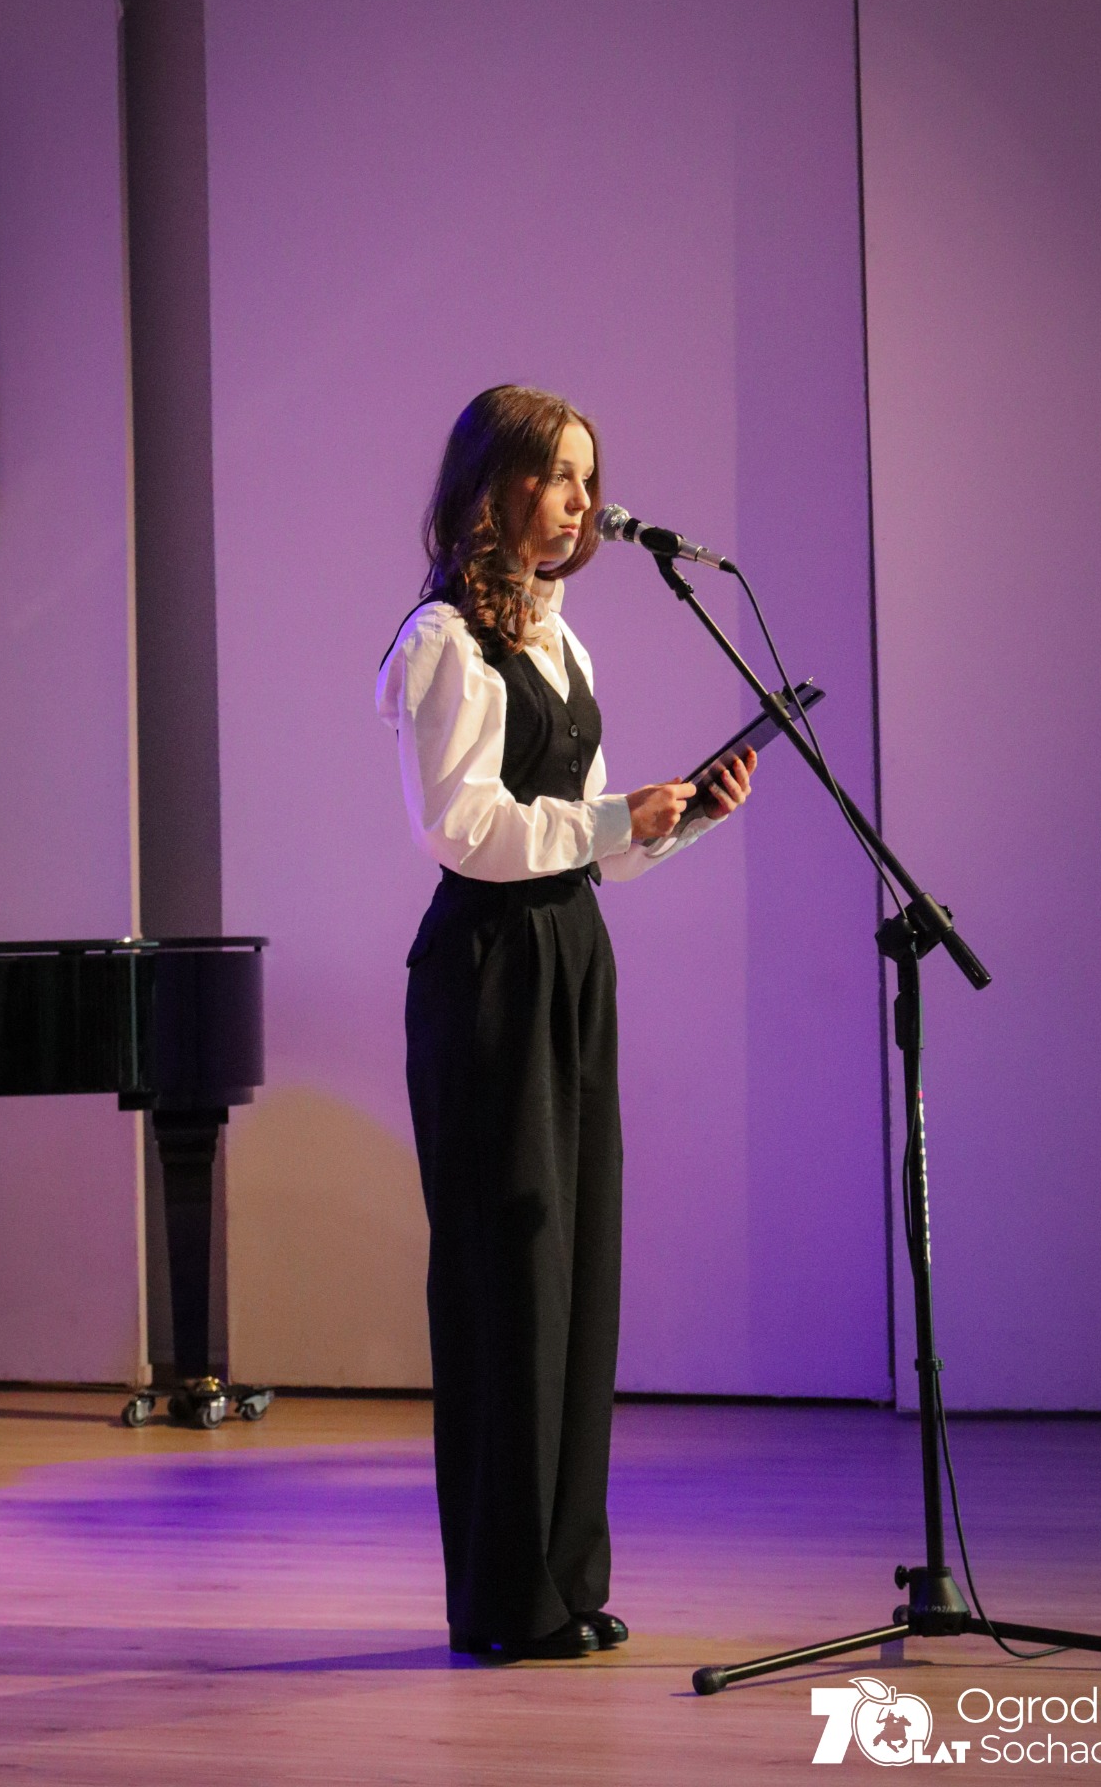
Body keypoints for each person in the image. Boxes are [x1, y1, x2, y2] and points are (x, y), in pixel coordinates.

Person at [376, 385, 756, 1661]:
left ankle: (565, 1581)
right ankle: (504, 1601)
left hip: (569, 956)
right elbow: (459, 827)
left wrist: (678, 818)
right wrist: (605, 822)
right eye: (560, 478)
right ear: (493, 490)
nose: (585, 503)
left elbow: (589, 841)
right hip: (486, 968)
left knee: (576, 1263)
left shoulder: (559, 639)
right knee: (508, 1273)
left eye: (590, 479)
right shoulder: (442, 641)